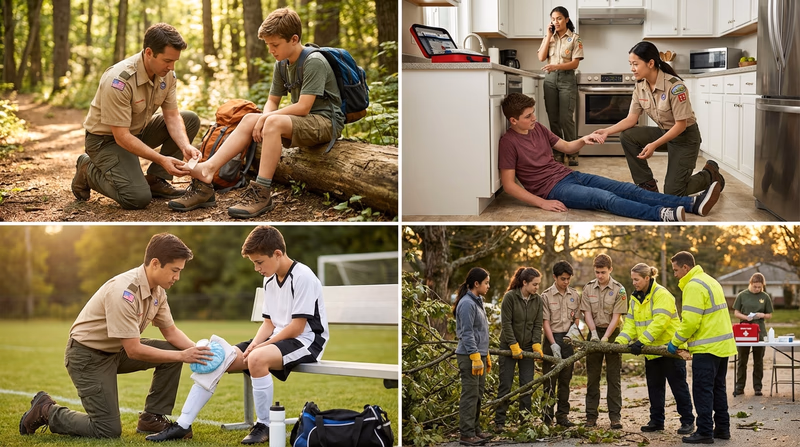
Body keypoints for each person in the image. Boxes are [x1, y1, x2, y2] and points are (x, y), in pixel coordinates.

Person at [145, 225, 329, 444]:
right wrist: (257, 343)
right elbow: (269, 323)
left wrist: (259, 348)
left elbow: (298, 327)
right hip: (279, 338)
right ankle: (183, 425)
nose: (256, 268)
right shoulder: (269, 279)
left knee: (257, 358)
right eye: (254, 263)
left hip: (306, 341)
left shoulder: (303, 276)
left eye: (259, 262)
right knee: (217, 358)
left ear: (277, 254)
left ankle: (265, 425)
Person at [19, 233, 213, 438]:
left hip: (116, 351)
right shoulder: (124, 292)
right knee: (106, 430)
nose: (177, 277)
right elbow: (134, 349)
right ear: (155, 263)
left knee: (173, 350)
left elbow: (171, 332)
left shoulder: (158, 291)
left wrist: (200, 352)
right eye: (175, 271)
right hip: (87, 356)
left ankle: (151, 419)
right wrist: (183, 356)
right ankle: (46, 410)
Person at [168, 7, 345, 218]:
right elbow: (272, 100)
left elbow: (303, 106)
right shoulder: (281, 65)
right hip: (305, 120)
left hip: (326, 122)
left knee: (271, 122)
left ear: (294, 39)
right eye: (268, 45)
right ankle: (208, 169)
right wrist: (262, 118)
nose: (271, 50)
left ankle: (262, 192)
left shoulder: (314, 61)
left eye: (275, 44)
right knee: (250, 117)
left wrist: (268, 119)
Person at [498, 93, 722, 222]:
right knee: (605, 199)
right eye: (528, 117)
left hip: (570, 176)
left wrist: (583, 140)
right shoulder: (508, 143)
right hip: (552, 189)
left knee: (628, 189)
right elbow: (509, 185)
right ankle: (663, 215)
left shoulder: (538, 128)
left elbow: (566, 147)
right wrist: (542, 202)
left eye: (533, 113)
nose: (534, 118)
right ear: (513, 120)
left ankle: (692, 203)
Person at [72, 23, 201, 210]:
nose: (171, 67)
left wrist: (185, 146)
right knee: (136, 198)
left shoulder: (167, 75)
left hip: (137, 131)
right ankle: (87, 169)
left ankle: (157, 180)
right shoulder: (119, 81)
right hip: (106, 141)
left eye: (175, 61)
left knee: (189, 119)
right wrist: (162, 159)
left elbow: (172, 116)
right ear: (149, 53)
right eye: (167, 60)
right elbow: (121, 137)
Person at [592, 41, 725, 196]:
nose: (632, 69)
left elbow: (681, 125)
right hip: (666, 133)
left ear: (650, 63)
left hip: (686, 138)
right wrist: (606, 131)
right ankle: (646, 185)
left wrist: (653, 145)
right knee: (627, 136)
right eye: (630, 64)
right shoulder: (640, 86)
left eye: (635, 64)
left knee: (674, 192)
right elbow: (631, 119)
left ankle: (710, 174)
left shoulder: (675, 87)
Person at [616, 262, 695, 436]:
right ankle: (657, 421)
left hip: (670, 349)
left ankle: (688, 421)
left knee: (678, 387)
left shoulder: (662, 294)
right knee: (654, 387)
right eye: (632, 280)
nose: (634, 283)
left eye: (636, 279)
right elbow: (630, 323)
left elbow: (660, 321)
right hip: (651, 350)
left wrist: (641, 341)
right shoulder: (635, 297)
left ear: (647, 278)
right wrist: (620, 342)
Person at [669, 251, 737, 444]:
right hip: (722, 346)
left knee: (702, 391)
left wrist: (675, 342)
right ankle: (722, 428)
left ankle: (705, 432)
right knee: (718, 389)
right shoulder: (710, 280)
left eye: (675, 270)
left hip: (707, 348)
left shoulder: (693, 286)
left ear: (686, 268)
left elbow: (690, 321)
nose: (674, 274)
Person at [494, 267, 544, 431]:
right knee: (505, 384)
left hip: (528, 347)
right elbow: (506, 324)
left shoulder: (537, 300)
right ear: (524, 282)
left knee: (526, 384)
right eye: (534, 284)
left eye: (538, 284)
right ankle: (500, 422)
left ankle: (525, 421)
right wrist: (513, 345)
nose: (537, 288)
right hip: (508, 347)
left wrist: (536, 344)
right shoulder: (510, 297)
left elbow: (537, 325)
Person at [581, 254, 627, 429]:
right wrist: (593, 334)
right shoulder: (588, 288)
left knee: (613, 378)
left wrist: (606, 338)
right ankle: (591, 417)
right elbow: (586, 313)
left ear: (610, 270)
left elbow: (617, 317)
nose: (599, 276)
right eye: (597, 272)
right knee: (593, 378)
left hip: (613, 333)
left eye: (603, 272)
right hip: (594, 332)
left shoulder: (619, 289)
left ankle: (615, 417)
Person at [537, 6, 582, 166]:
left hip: (566, 79)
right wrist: (548, 35)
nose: (556, 22)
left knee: (565, 118)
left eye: (559, 18)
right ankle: (557, 151)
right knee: (553, 118)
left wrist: (556, 66)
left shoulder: (575, 38)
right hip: (550, 80)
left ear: (567, 19)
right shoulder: (549, 37)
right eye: (553, 19)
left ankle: (572, 152)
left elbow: (575, 64)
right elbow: (542, 57)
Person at [454, 267, 492, 446]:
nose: (488, 286)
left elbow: (481, 331)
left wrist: (486, 355)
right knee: (469, 395)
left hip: (480, 355)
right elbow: (467, 333)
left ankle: (475, 429)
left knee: (478, 394)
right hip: (469, 356)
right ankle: (466, 434)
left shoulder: (478, 301)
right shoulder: (467, 304)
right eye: (486, 283)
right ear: (476, 284)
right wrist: (475, 356)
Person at [541, 260, 580, 427]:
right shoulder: (546, 296)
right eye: (563, 279)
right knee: (550, 380)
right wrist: (552, 344)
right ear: (555, 277)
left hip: (567, 339)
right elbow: (545, 322)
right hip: (552, 338)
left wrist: (573, 332)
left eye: (568, 279)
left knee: (566, 380)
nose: (566, 282)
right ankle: (547, 418)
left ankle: (562, 416)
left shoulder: (574, 295)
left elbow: (577, 318)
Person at [732, 272, 774, 397]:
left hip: (759, 331)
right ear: (750, 284)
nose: (757, 289)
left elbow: (769, 315)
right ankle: (739, 387)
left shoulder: (765, 297)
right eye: (755, 286)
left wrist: (762, 315)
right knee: (742, 360)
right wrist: (745, 317)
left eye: (759, 287)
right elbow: (736, 313)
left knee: (758, 361)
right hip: (745, 330)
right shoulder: (742, 295)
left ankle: (757, 387)